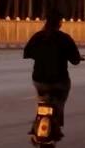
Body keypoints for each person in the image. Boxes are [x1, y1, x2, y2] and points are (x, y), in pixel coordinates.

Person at [23, 9, 81, 137]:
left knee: (41, 100)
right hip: (59, 81)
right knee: (60, 101)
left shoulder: (37, 37)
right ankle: (56, 122)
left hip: (39, 80)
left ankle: (36, 123)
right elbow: (75, 60)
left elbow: (27, 53)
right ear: (59, 23)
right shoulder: (65, 39)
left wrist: (41, 55)